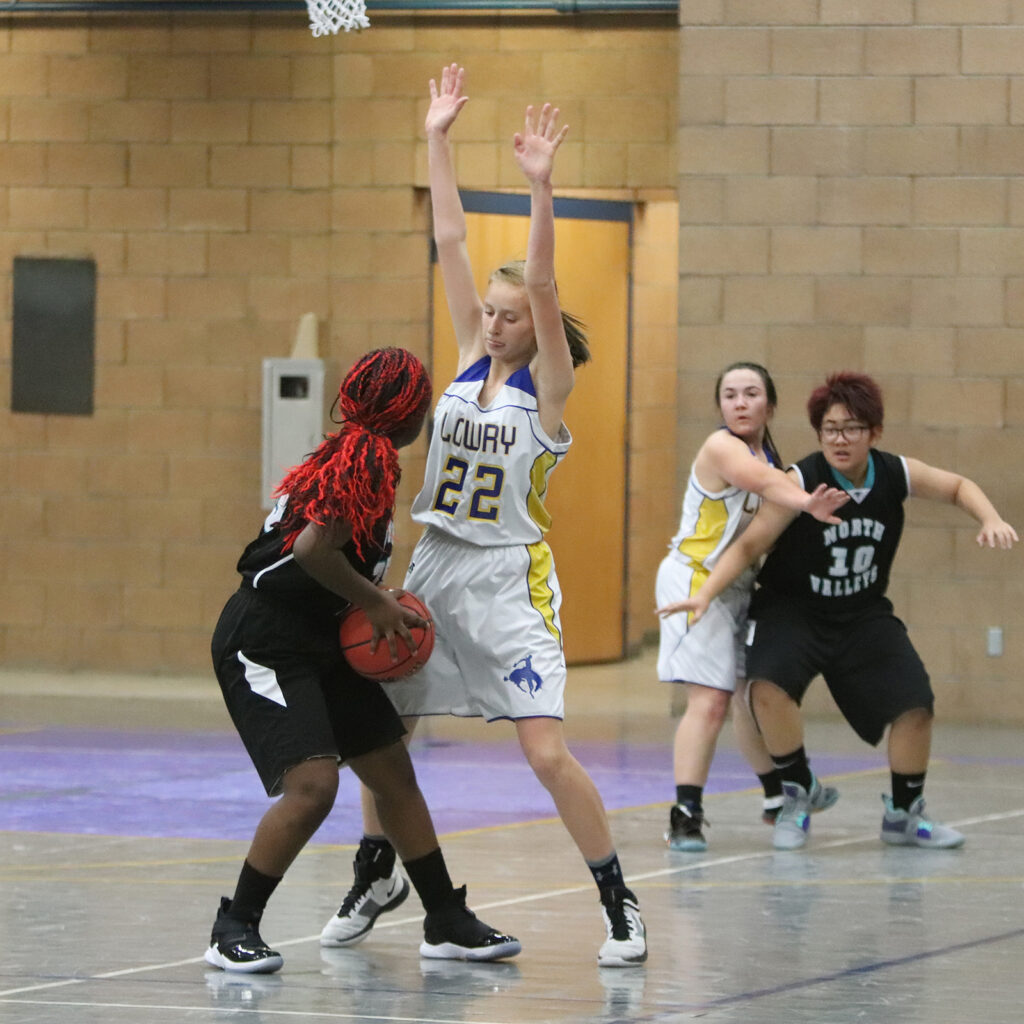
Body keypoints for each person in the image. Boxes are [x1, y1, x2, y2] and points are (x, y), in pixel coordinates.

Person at [319, 64, 646, 968]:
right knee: (383, 736)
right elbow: (452, 238)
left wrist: (541, 186)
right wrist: (436, 139)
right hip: (434, 567)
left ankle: (618, 902)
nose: (497, 321)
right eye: (492, 313)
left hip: (510, 578)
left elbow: (541, 279)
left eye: (510, 314)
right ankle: (376, 869)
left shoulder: (551, 395)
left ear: (533, 325)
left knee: (544, 754)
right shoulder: (467, 358)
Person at [205, 347, 521, 974]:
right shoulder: (368, 458)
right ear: (408, 416)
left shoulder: (355, 451)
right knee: (313, 787)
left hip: (320, 636)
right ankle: (231, 926)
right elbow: (310, 550)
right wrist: (377, 603)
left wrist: (370, 607)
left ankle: (446, 918)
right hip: (265, 641)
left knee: (393, 775)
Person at [660, 371, 1018, 851]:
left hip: (861, 612)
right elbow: (748, 547)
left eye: (851, 428)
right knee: (764, 688)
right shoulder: (801, 479)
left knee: (916, 705)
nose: (840, 439)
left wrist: (990, 516)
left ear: (874, 432)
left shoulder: (894, 472)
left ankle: (904, 814)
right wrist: (705, 594)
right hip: (793, 610)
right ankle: (792, 793)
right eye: (830, 429)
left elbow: (956, 486)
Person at [654, 362, 848, 852]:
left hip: (739, 588)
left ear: (770, 405)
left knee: (746, 695)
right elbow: (760, 483)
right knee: (710, 700)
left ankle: (775, 796)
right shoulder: (724, 448)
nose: (740, 403)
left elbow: (768, 509)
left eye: (751, 393)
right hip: (694, 583)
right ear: (720, 406)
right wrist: (809, 502)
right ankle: (685, 815)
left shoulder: (774, 458)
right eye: (730, 395)